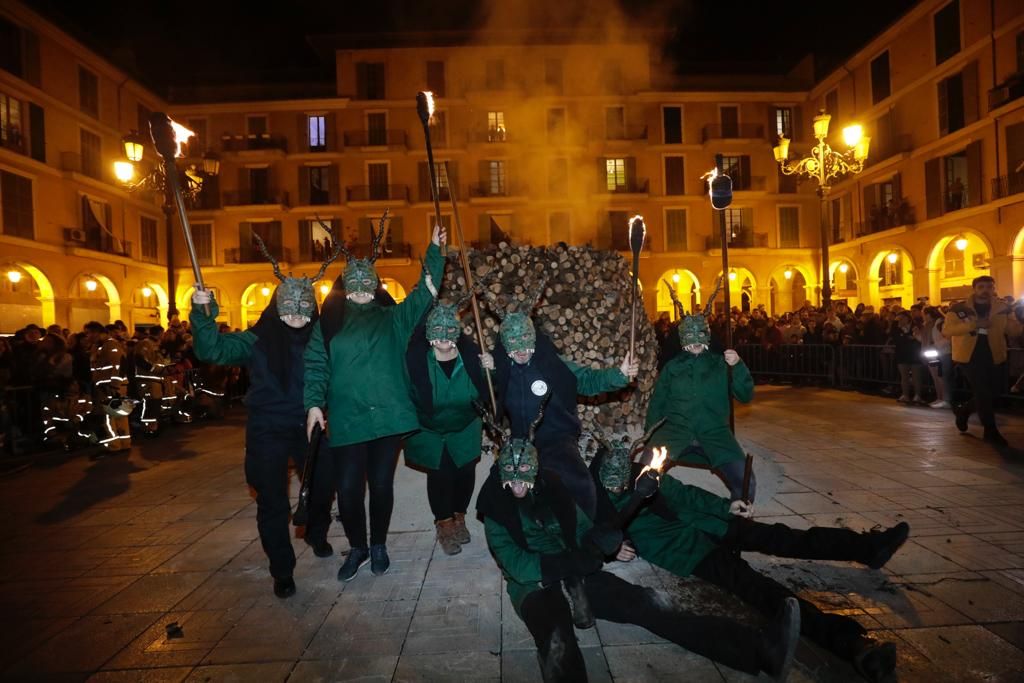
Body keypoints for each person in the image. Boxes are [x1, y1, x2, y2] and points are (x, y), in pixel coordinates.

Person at [477, 409, 801, 683]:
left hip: (576, 568)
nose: (517, 486)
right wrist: (576, 562)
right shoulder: (495, 505)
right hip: (535, 584)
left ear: (535, 473)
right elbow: (516, 564)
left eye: (524, 477)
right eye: (511, 478)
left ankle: (760, 650)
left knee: (647, 603)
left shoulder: (554, 487)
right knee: (557, 641)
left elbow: (581, 529)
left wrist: (604, 543)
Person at [591, 436, 908, 683]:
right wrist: (613, 548)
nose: (622, 486)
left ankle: (868, 547)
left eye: (625, 479)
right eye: (615, 484)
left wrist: (727, 506)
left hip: (711, 524)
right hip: (690, 551)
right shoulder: (593, 503)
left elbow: (687, 494)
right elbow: (588, 541)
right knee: (757, 588)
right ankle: (853, 644)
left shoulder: (642, 475)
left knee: (782, 536)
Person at [190, 236, 341, 598]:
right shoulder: (255, 340)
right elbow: (211, 348)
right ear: (275, 307)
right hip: (267, 428)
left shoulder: (324, 342)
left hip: (312, 426)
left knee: (322, 487)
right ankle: (282, 569)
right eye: (288, 310)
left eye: (302, 310)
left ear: (312, 310)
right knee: (272, 500)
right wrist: (202, 312)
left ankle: (317, 531)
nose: (295, 317)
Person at [305, 220, 446, 581]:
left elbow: (425, 291)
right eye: (356, 287)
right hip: (349, 420)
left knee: (382, 485)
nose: (363, 293)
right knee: (350, 488)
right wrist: (314, 404)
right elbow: (317, 365)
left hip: (388, 418)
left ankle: (379, 544)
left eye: (369, 286)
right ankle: (358, 548)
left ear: (376, 287)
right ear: (346, 289)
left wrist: (434, 250)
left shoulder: (394, 318)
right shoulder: (329, 323)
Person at [479, 283, 638, 520]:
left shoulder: (552, 364)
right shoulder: (502, 366)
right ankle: (520, 532)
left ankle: (590, 532)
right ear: (506, 345)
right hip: (521, 438)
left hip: (556, 436)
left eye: (525, 342)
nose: (521, 351)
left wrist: (619, 375)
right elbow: (486, 390)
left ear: (533, 339)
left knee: (577, 480)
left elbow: (586, 380)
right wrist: (488, 372)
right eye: (514, 346)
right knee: (497, 486)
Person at [647, 279, 755, 502]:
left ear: (706, 336)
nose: (695, 343)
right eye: (690, 337)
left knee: (746, 483)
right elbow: (657, 403)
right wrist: (650, 435)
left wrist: (738, 367)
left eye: (699, 337)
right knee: (643, 476)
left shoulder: (721, 364)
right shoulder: (672, 367)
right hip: (676, 432)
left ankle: (739, 519)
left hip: (714, 433)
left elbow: (745, 395)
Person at [404, 298, 489, 555]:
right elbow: (403, 393)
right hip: (430, 429)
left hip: (464, 426)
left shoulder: (473, 358)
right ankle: (444, 523)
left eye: (448, 331)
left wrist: (491, 370)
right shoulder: (415, 361)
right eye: (437, 332)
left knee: (464, 472)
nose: (443, 337)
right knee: (440, 473)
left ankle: (458, 516)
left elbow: (491, 391)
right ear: (430, 335)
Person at [944, 276, 1023, 446]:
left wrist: (1020, 321)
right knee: (983, 391)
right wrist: (974, 325)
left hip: (994, 354)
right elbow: (948, 330)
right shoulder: (959, 308)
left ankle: (963, 411)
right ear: (974, 289)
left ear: (994, 289)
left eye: (989, 287)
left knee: (993, 392)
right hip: (969, 356)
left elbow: (1013, 331)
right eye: (981, 287)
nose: (985, 290)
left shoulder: (1002, 307)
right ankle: (990, 430)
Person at [887, 310, 925, 404]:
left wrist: (907, 336)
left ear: (907, 318)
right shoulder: (896, 327)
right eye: (898, 319)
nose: (899, 321)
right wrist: (906, 335)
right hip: (902, 354)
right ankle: (905, 395)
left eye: (902, 318)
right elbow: (896, 339)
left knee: (916, 376)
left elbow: (918, 338)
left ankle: (918, 395)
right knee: (904, 376)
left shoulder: (916, 326)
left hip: (915, 354)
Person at [921, 306, 952, 409]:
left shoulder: (940, 323)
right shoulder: (931, 325)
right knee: (936, 377)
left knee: (942, 376)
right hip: (936, 353)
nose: (923, 317)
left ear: (929, 315)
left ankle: (946, 399)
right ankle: (940, 397)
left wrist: (935, 345)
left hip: (944, 353)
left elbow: (948, 338)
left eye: (924, 314)